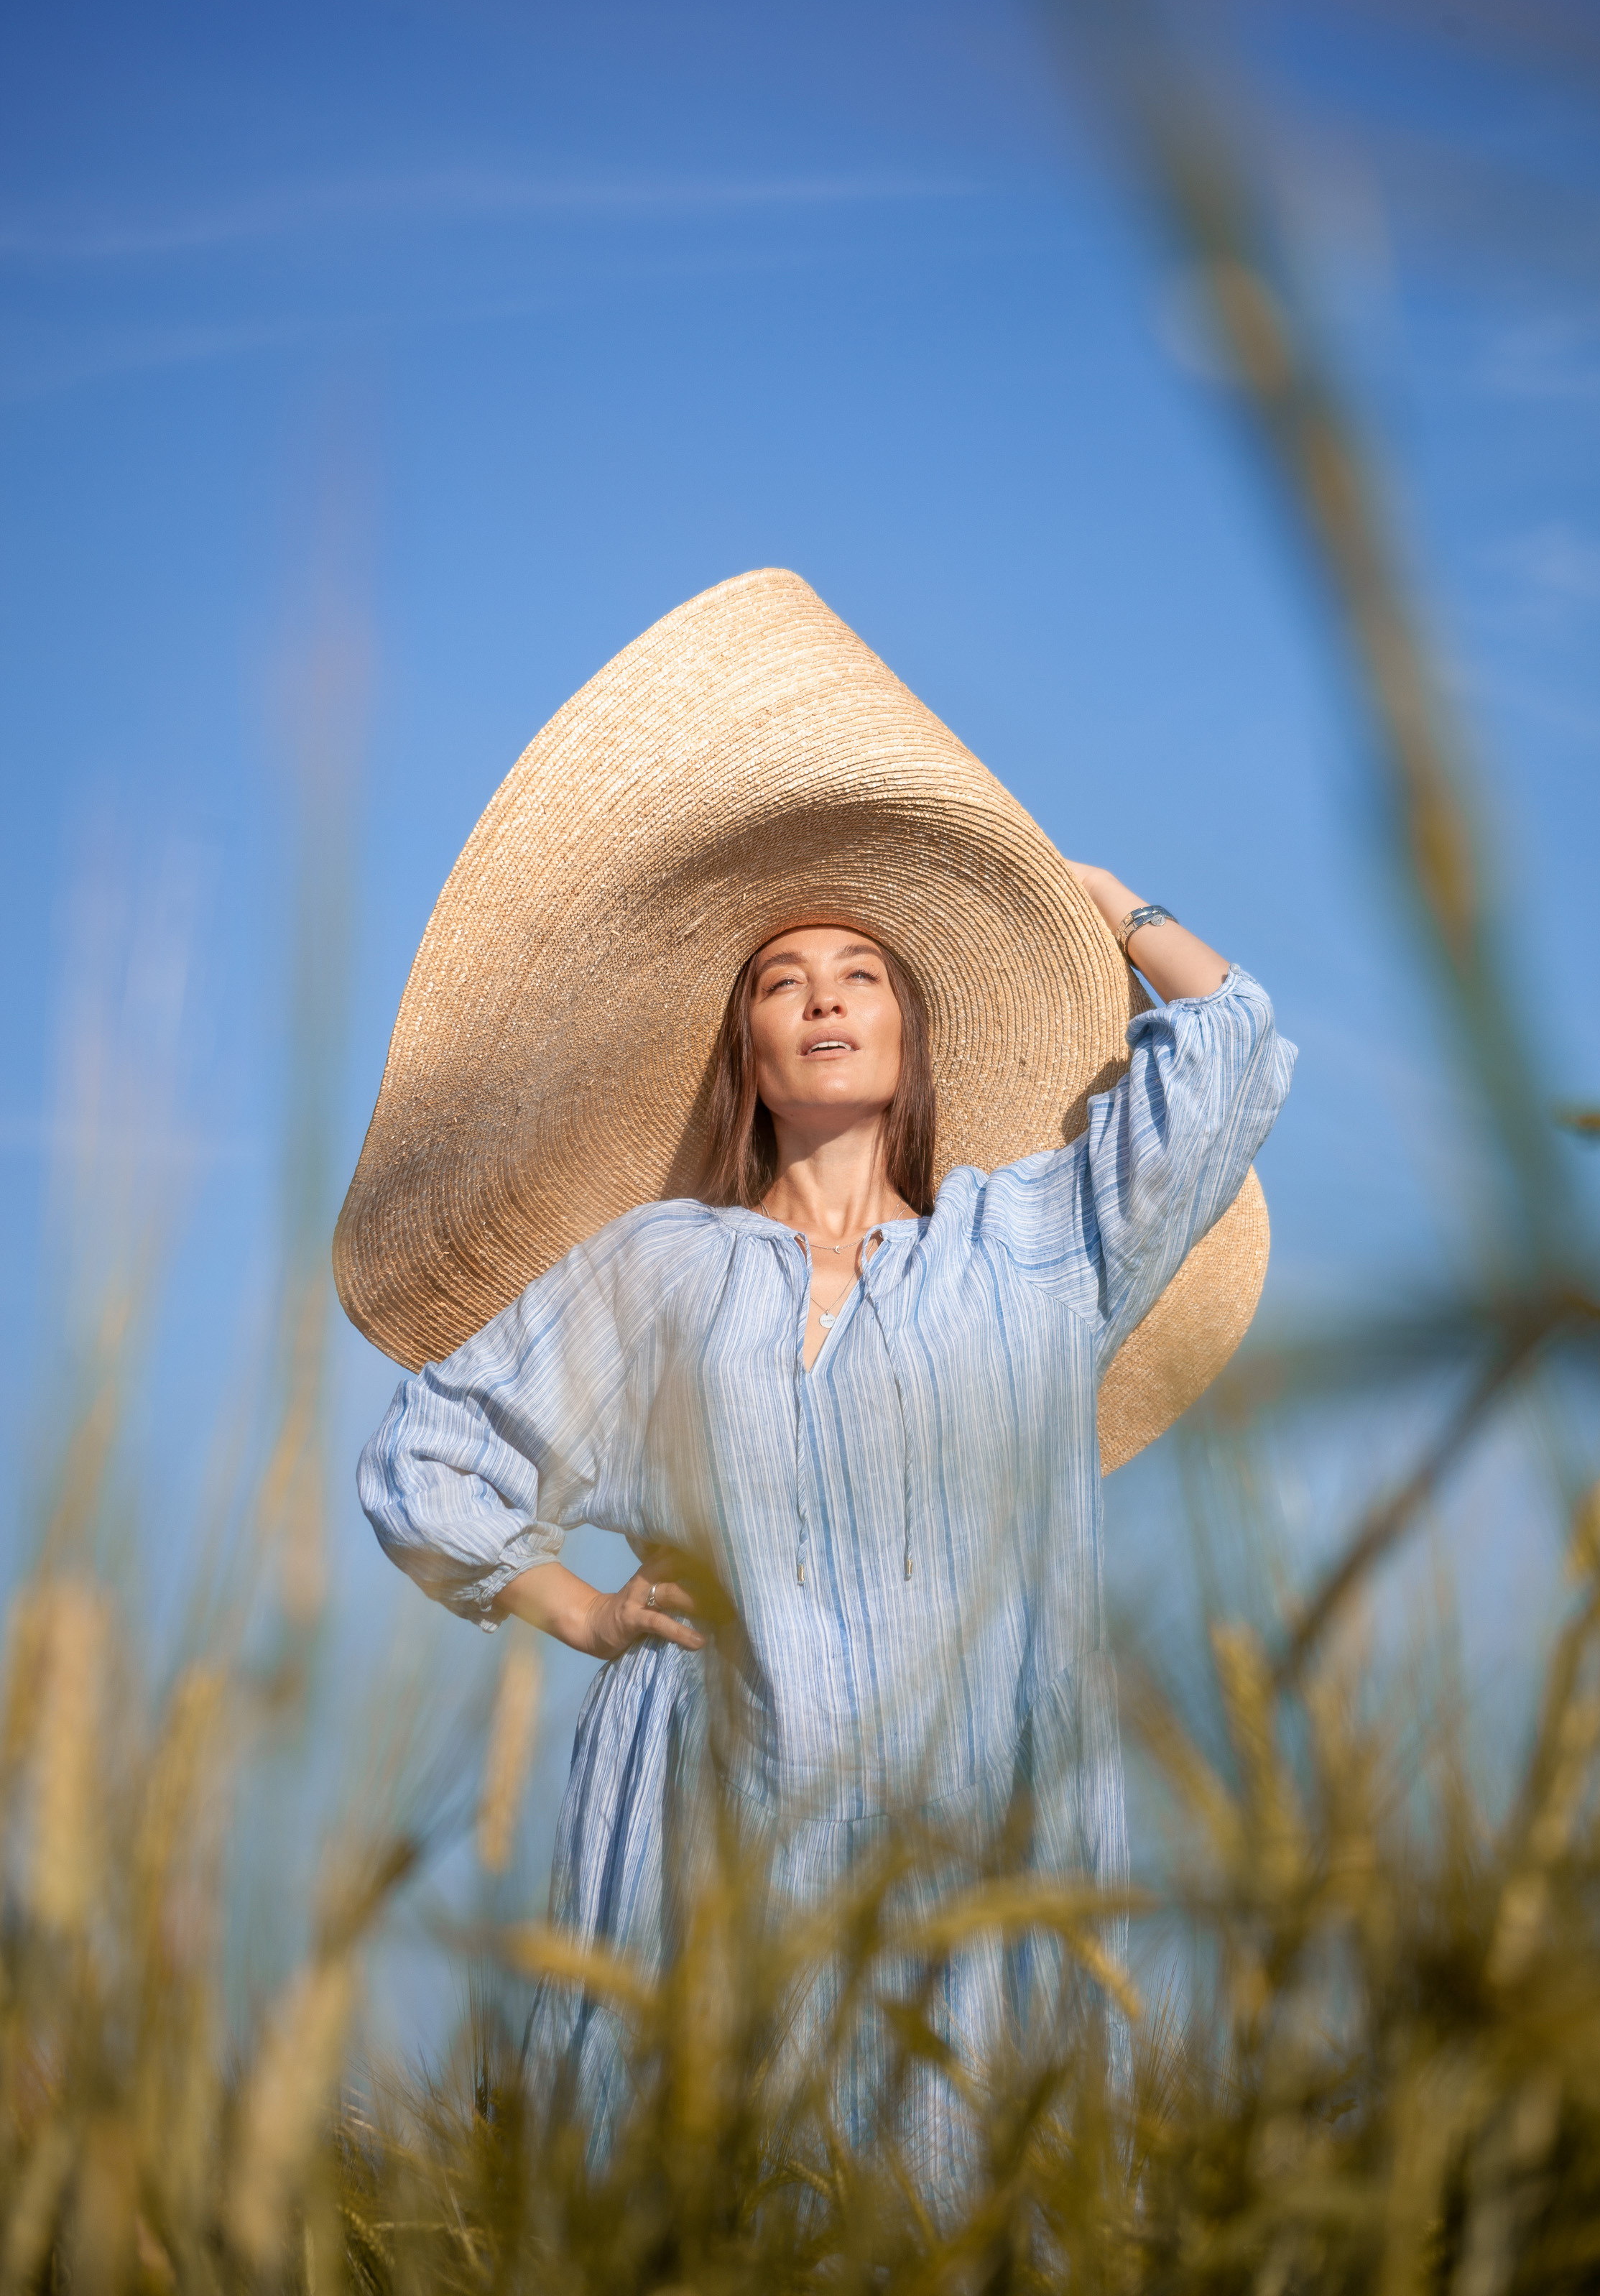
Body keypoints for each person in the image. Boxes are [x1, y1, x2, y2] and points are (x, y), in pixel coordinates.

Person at [340, 570, 1294, 2189]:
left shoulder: (1038, 1247)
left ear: (912, 1038)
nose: (827, 995)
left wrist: (1103, 901)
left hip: (970, 1852)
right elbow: (432, 1456)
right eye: (784, 982)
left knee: (959, 2204)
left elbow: (1235, 1047)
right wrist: (575, 1611)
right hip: (697, 1835)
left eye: (861, 972)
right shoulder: (659, 1268)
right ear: (752, 1055)